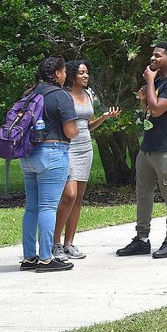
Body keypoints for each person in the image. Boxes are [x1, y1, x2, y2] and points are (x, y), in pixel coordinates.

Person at [116, 42, 167, 259]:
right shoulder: (159, 80)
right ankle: (142, 239)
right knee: (143, 194)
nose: (152, 59)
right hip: (148, 145)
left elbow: (157, 110)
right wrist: (144, 98)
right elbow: (149, 110)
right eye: (152, 55)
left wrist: (148, 81)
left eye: (157, 56)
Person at [52, 59, 120, 260]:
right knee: (69, 196)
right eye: (82, 73)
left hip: (85, 147)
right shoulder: (63, 95)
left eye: (87, 72)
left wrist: (104, 118)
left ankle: (69, 244)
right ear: (72, 74)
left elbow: (86, 125)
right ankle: (54, 243)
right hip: (68, 147)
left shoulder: (88, 94)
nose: (86, 76)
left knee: (78, 198)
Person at [18, 56, 79, 272]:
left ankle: (29, 257)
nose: (65, 76)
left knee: (32, 207)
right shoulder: (60, 95)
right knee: (48, 207)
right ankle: (46, 258)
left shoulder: (29, 93)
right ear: (56, 74)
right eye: (63, 72)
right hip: (53, 154)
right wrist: (78, 129)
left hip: (28, 156)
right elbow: (71, 131)